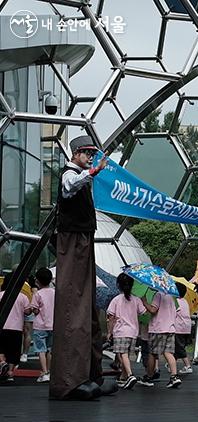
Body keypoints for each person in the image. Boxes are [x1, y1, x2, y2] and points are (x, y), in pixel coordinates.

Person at [50, 135, 111, 400]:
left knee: (85, 305)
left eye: (92, 154)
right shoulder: (69, 174)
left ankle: (90, 374)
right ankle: (71, 381)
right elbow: (71, 185)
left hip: (84, 237)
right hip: (73, 239)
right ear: (76, 153)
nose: (89, 157)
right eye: (86, 153)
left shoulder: (82, 174)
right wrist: (92, 172)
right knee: (73, 304)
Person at [106, 274, 146, 390]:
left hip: (120, 331)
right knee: (126, 356)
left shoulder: (116, 300)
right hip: (133, 332)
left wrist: (109, 332)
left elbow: (111, 317)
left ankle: (129, 375)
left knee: (122, 354)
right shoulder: (136, 299)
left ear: (118, 285)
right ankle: (123, 378)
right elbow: (143, 312)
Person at [142, 291, 182, 389]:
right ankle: (174, 376)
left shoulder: (158, 294)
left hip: (158, 328)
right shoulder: (171, 296)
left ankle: (149, 376)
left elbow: (153, 310)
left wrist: (144, 302)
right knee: (168, 353)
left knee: (152, 353)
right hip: (170, 328)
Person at [0, 277, 32, 383]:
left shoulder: (1, 294)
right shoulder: (22, 297)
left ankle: (2, 362)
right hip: (16, 328)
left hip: (2, 326)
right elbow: (27, 311)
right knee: (13, 351)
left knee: (1, 348)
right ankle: (10, 373)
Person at [30, 268, 55, 383]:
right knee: (50, 349)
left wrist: (37, 310)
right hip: (53, 325)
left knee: (41, 350)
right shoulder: (55, 292)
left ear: (37, 281)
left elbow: (34, 310)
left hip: (40, 325)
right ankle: (49, 372)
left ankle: (44, 372)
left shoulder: (37, 294)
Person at [174, 284, 194, 375]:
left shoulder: (176, 302)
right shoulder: (185, 301)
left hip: (179, 327)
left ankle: (187, 365)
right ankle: (172, 362)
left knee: (179, 347)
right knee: (178, 346)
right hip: (187, 327)